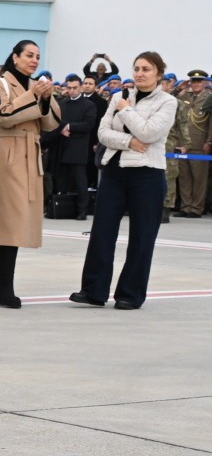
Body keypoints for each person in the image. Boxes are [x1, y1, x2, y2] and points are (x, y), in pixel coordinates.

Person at [72, 52, 176, 309]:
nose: (140, 73)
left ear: (159, 74)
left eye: (147, 69)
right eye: (137, 68)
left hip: (148, 174)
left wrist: (127, 112)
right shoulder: (119, 96)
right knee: (102, 233)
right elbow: (103, 132)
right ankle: (94, 291)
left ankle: (130, 294)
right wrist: (129, 141)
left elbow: (150, 133)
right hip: (114, 172)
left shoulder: (167, 102)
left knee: (142, 237)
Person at [0, 39, 60, 308]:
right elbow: (2, 114)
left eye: (37, 56)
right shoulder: (2, 82)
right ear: (15, 57)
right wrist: (34, 95)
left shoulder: (34, 84)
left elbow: (51, 123)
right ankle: (3, 286)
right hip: (9, 151)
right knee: (10, 220)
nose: (34, 60)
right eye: (28, 55)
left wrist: (46, 97)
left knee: (20, 219)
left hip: (29, 151)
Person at [54, 74, 97, 221]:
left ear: (80, 87)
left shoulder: (88, 105)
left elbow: (89, 124)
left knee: (80, 181)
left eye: (75, 88)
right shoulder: (63, 103)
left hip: (78, 147)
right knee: (62, 179)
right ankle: (62, 208)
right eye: (69, 88)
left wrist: (69, 126)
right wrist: (62, 128)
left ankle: (82, 210)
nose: (72, 91)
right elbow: (56, 120)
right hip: (63, 145)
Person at [172, 69, 210, 218]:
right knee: (184, 177)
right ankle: (186, 207)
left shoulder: (209, 98)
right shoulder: (184, 96)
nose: (196, 84)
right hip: (182, 143)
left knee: (199, 178)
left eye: (199, 81)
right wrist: (178, 88)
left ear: (205, 83)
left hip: (200, 142)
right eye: (193, 81)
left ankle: (196, 208)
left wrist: (210, 141)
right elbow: (166, 100)